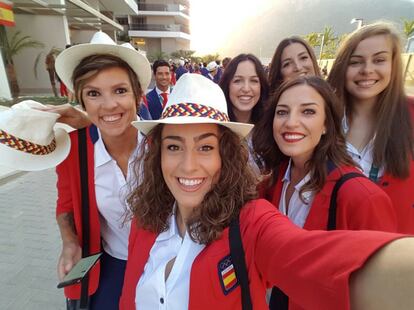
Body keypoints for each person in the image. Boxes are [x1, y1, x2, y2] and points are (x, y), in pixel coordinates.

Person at [120, 73, 414, 310]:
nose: (188, 165)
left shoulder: (250, 222)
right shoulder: (145, 220)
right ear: (157, 154)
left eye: (205, 147)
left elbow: (312, 257)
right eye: (173, 146)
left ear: (225, 155)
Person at [253, 76, 397, 309]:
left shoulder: (361, 197)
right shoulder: (274, 180)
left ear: (327, 124)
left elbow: (382, 288)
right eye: (282, 112)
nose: (291, 122)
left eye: (307, 112)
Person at [53, 31, 151, 309]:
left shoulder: (163, 146)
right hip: (110, 267)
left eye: (120, 90)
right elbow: (66, 206)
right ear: (82, 103)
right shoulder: (73, 149)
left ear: (138, 95)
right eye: (94, 93)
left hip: (164, 264)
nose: (109, 105)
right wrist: (70, 241)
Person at [327, 22, 414, 233]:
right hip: (336, 248)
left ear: (393, 65)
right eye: (356, 62)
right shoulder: (324, 118)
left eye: (379, 60)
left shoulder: (411, 115)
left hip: (397, 252)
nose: (367, 70)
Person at [219, 53, 269, 175]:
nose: (246, 88)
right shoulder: (216, 130)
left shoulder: (270, 127)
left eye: (254, 81)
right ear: (227, 85)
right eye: (238, 80)